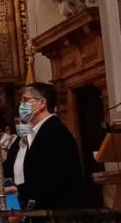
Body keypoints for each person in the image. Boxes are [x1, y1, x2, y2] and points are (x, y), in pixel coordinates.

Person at [6, 82, 88, 210]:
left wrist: (21, 191)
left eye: (25, 100)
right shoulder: (34, 133)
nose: (21, 106)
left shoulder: (55, 132)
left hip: (53, 213)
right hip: (29, 209)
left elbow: (52, 177)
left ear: (42, 103)